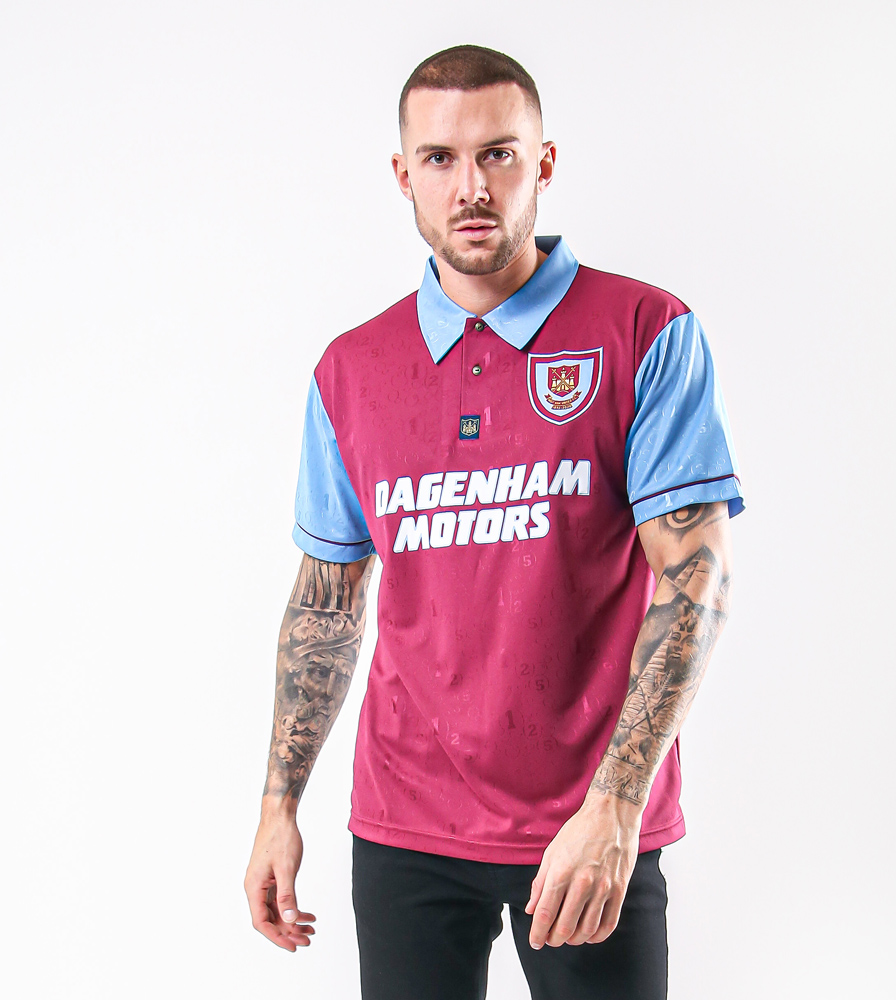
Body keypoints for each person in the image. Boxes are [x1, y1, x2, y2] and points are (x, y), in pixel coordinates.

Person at [244, 43, 745, 1000]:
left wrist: (617, 805)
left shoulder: (644, 331)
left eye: (498, 154)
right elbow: (326, 604)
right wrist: (279, 806)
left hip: (585, 825)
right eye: (440, 158)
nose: (470, 187)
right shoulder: (351, 371)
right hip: (405, 824)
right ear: (405, 176)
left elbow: (696, 581)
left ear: (543, 163)